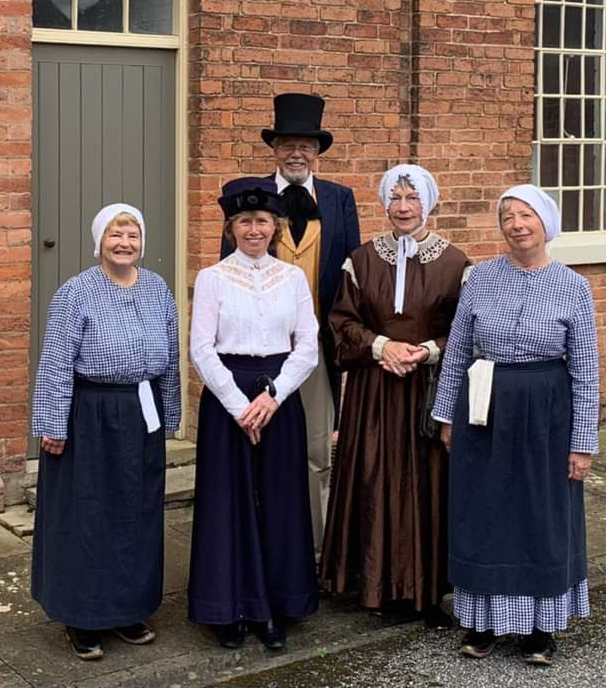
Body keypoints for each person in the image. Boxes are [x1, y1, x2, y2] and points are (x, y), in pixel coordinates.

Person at [433, 185, 599, 666]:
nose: (517, 225)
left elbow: (586, 370)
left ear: (546, 223)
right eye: (508, 217)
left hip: (546, 412)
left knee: (539, 514)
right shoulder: (480, 279)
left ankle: (539, 629)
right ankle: (482, 621)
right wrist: (447, 417)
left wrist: (582, 442)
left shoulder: (574, 287)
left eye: (526, 215)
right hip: (483, 407)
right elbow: (458, 352)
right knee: (483, 509)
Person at [30, 203, 181, 661]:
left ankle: (128, 609)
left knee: (136, 511)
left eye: (132, 235)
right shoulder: (76, 293)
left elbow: (171, 354)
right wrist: (54, 423)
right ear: (100, 241)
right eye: (116, 235)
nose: (125, 244)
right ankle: (83, 616)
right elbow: (55, 361)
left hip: (142, 408)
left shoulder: (157, 289)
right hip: (90, 412)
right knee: (87, 514)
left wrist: (169, 412)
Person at [320, 164, 469, 626]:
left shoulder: (455, 263)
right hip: (374, 388)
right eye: (395, 198)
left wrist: (425, 350)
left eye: (412, 198)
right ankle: (373, 584)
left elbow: (465, 330)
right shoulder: (361, 260)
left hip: (426, 390)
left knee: (425, 483)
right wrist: (381, 346)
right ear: (384, 203)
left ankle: (425, 590)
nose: (403, 207)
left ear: (429, 202)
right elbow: (341, 320)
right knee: (373, 476)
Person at [221, 92, 360, 551]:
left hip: (316, 346)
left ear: (317, 151)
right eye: (286, 145)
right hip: (261, 349)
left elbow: (350, 275)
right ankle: (260, 542)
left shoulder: (340, 200)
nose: (296, 153)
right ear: (274, 150)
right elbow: (228, 272)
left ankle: (315, 550)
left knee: (317, 449)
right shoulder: (248, 198)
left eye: (305, 145)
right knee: (261, 445)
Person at [189, 178, 320, 651]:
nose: (253, 230)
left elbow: (307, 345)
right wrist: (241, 406)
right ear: (230, 228)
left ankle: (277, 605)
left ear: (276, 227)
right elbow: (201, 349)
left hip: (278, 398)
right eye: (244, 221)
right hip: (230, 400)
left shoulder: (292, 280)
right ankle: (230, 607)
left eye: (262, 221)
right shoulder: (213, 278)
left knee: (281, 501)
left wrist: (273, 397)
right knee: (229, 503)